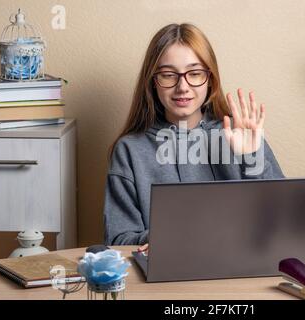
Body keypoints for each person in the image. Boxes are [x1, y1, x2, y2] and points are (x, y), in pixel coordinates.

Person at [103, 23, 284, 250]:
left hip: (239, 272)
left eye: (195, 73)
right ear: (153, 81)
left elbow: (279, 223)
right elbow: (118, 241)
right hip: (164, 281)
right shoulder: (129, 150)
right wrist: (162, 238)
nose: (182, 87)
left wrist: (251, 158)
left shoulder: (240, 133)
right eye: (169, 75)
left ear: (210, 79)